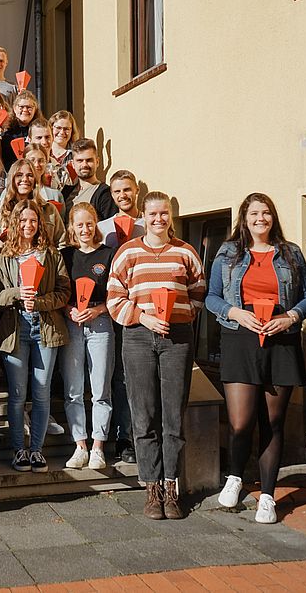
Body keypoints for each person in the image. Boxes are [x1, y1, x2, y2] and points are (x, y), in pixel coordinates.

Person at [205, 193, 306, 524]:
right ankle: (236, 476)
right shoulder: (227, 252)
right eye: (254, 213)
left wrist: (291, 317)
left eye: (266, 212)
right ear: (244, 217)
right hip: (240, 339)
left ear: (273, 217)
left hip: (281, 341)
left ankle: (268, 495)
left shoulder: (291, 252)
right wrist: (235, 312)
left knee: (273, 422)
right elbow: (211, 297)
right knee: (240, 421)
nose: (260, 218)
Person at [107, 191, 205, 520]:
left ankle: (171, 487)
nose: (158, 220)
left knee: (173, 414)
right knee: (144, 413)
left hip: (176, 338)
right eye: (152, 215)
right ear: (143, 218)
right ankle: (151, 488)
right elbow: (114, 297)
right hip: (137, 336)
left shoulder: (185, 252)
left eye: (164, 214)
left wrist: (181, 315)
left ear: (170, 217)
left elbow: (199, 291)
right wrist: (142, 317)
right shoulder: (127, 253)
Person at [0, 199, 70, 473]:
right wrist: (17, 294)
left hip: (45, 327)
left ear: (40, 224)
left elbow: (64, 293)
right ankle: (18, 450)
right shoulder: (2, 257)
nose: (28, 225)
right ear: (15, 223)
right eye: (23, 220)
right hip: (15, 329)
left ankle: (36, 449)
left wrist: (39, 302)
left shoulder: (51, 255)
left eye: (33, 221)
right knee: (16, 395)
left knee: (41, 392)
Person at [94, 170, 145, 464]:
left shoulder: (147, 224)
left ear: (136, 190)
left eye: (127, 190)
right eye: (117, 192)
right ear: (111, 195)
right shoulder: (103, 228)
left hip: (137, 310)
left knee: (128, 376)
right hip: (107, 309)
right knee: (108, 375)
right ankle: (109, 433)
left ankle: (128, 435)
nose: (123, 196)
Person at [60, 203, 114, 470]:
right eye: (79, 224)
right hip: (72, 323)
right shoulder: (65, 256)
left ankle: (98, 446)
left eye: (89, 224)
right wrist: (69, 310)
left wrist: (98, 310)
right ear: (71, 227)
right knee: (73, 389)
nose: (84, 229)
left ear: (96, 225)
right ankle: (79, 444)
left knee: (101, 388)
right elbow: (58, 291)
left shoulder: (108, 254)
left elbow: (117, 294)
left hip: (101, 322)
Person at [0, 159, 66, 249]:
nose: (25, 179)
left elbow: (62, 243)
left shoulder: (49, 209)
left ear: (35, 180)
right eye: (19, 175)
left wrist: (51, 259)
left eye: (30, 175)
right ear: (12, 179)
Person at [62, 138, 118, 223]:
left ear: (97, 162)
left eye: (89, 160)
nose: (84, 165)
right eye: (80, 161)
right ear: (73, 164)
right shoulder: (66, 192)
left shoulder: (105, 194)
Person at [0, 90, 43, 170]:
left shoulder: (40, 131)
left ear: (35, 110)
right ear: (15, 108)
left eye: (29, 107)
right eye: (21, 107)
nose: (25, 110)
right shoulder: (6, 131)